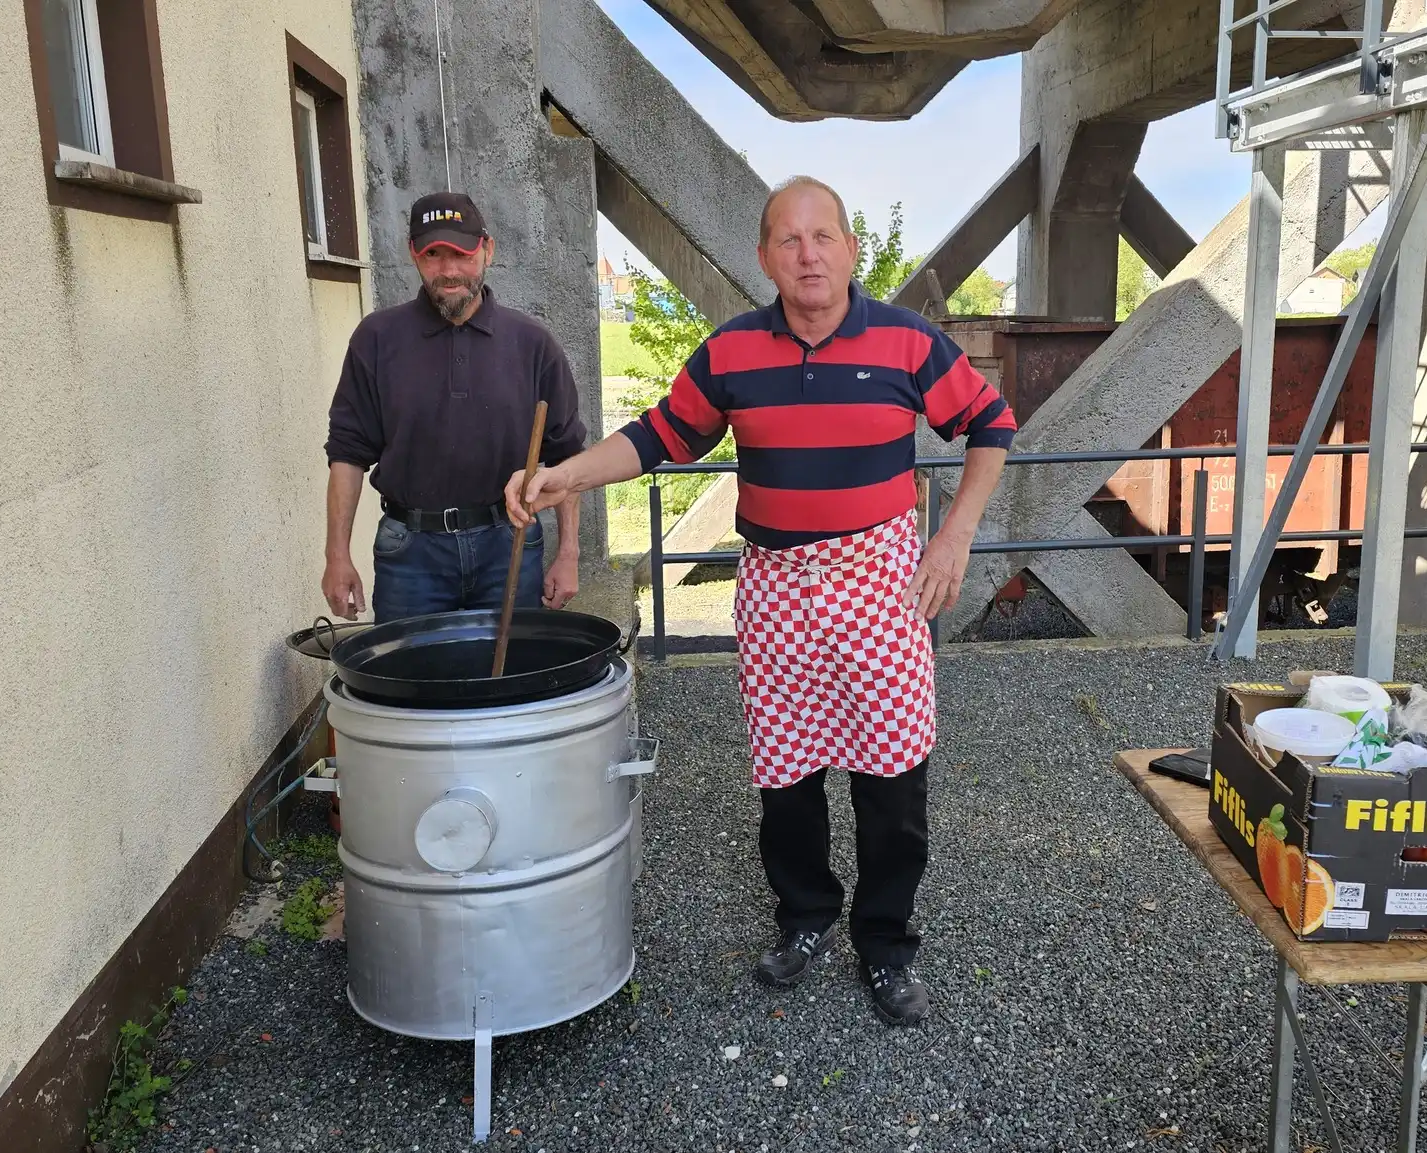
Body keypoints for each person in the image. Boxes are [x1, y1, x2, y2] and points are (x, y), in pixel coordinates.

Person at [505, 176, 1015, 1026]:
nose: (808, 253)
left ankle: (885, 943)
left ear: (852, 249)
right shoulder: (733, 351)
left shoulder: (905, 341)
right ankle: (806, 917)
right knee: (787, 774)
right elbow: (657, 435)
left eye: (824, 236)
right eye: (789, 239)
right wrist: (564, 477)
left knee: (893, 779)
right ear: (764, 257)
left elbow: (993, 424)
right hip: (776, 586)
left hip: (879, 583)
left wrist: (954, 534)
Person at [322, 191, 586, 622]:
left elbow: (566, 456)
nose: (449, 271)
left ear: (487, 250)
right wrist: (337, 556)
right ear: (413, 255)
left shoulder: (533, 344)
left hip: (510, 546)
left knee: (511, 685)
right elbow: (348, 454)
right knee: (410, 686)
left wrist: (569, 553)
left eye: (462, 254)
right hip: (410, 555)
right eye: (433, 255)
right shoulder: (376, 339)